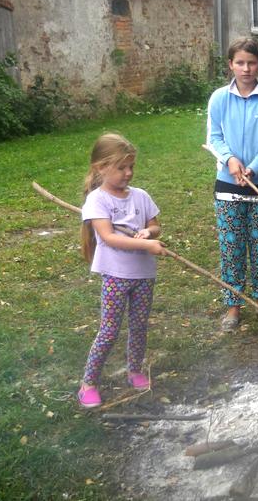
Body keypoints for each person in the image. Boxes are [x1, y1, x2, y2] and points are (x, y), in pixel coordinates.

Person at [78, 133, 166, 408]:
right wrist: (147, 246)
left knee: (139, 326)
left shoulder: (140, 196)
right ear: (101, 168)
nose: (128, 173)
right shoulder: (97, 200)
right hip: (116, 275)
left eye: (131, 167)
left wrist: (147, 231)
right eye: (121, 168)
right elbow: (108, 237)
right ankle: (88, 383)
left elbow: (155, 225)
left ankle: (135, 370)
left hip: (143, 275)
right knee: (110, 330)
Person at [205, 37, 258, 332]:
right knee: (232, 248)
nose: (246, 68)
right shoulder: (218, 99)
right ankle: (234, 305)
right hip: (228, 186)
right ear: (230, 65)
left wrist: (252, 168)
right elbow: (214, 138)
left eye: (251, 63)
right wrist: (230, 161)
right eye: (240, 62)